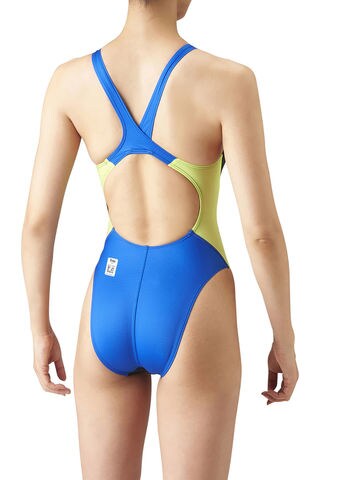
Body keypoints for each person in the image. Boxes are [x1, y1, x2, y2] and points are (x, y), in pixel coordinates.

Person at [21, 0, 299, 477]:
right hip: (194, 295)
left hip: (109, 299)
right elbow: (262, 235)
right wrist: (284, 338)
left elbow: (37, 224)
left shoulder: (70, 82)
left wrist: (40, 329)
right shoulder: (229, 81)